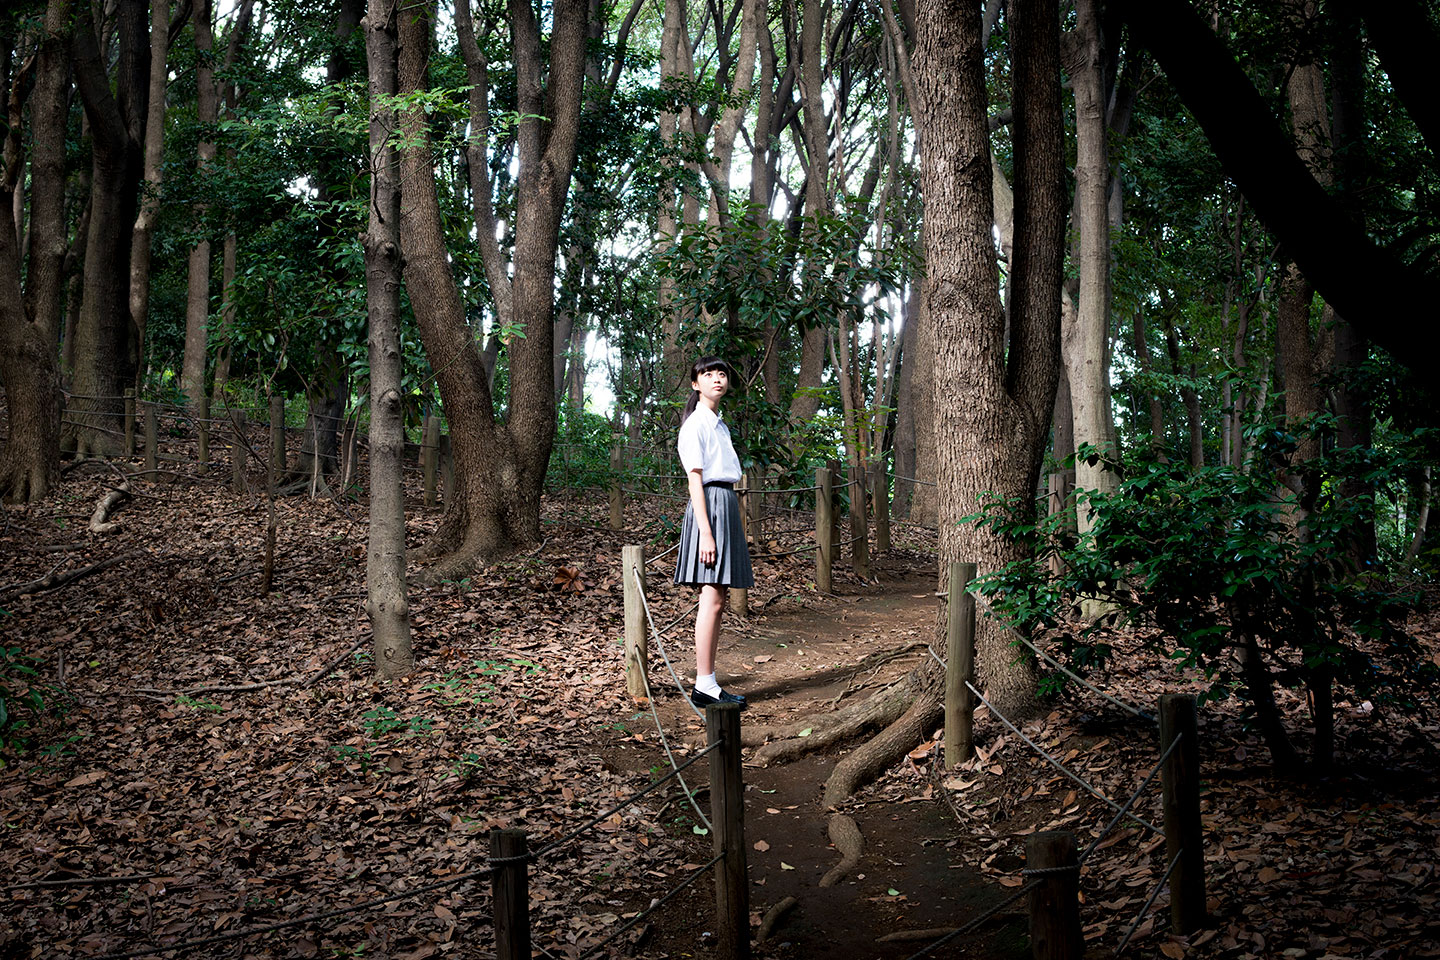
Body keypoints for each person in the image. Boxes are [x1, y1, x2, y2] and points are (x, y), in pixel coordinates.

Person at [673, 356, 753, 710]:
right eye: (708, 374)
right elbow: (694, 480)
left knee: (717, 598)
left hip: (724, 502)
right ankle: (704, 684)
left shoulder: (718, 423)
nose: (717, 379)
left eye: (722, 373)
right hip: (710, 505)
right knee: (713, 597)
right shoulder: (695, 425)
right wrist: (706, 532)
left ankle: (707, 682)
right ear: (695, 384)